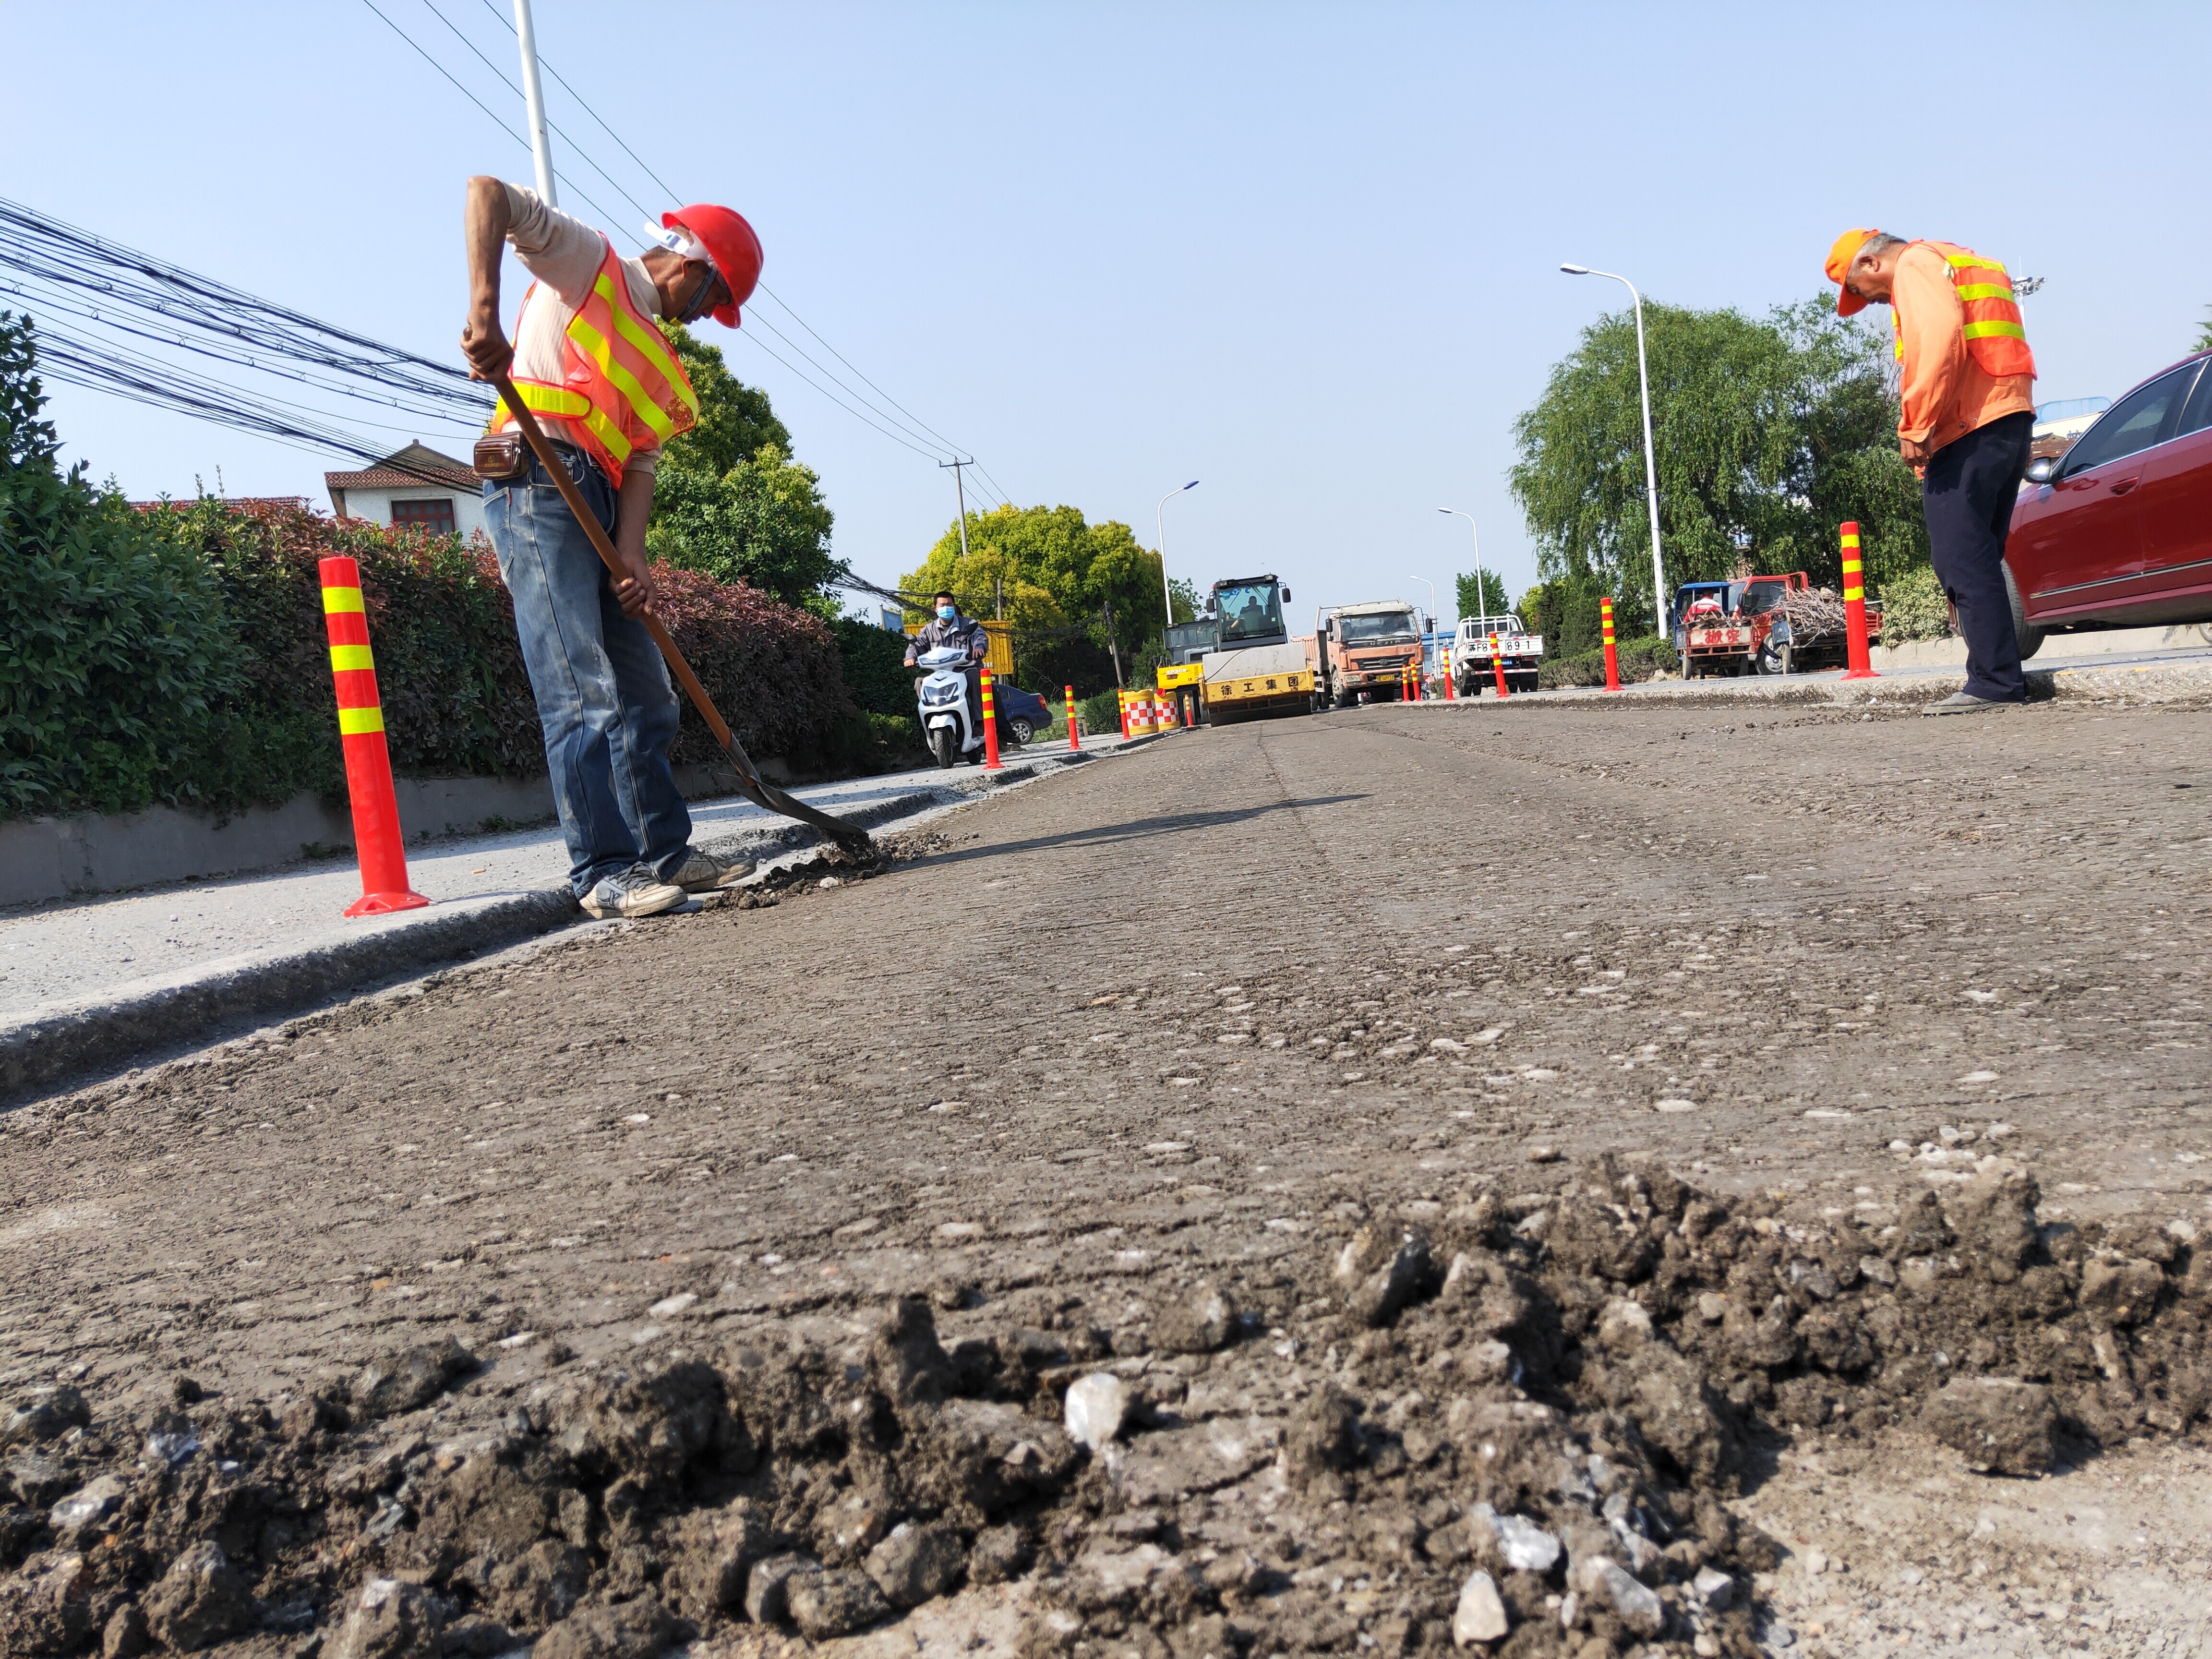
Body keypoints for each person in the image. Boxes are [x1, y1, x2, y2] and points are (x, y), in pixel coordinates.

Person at [460, 177, 767, 917]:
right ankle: (602, 870)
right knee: (580, 687)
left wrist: (633, 557)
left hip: (597, 499)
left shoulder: (654, 356)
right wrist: (482, 310)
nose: (702, 318)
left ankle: (666, 852)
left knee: (646, 694)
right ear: (691, 265)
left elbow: (641, 459)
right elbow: (487, 193)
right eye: (710, 301)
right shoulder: (588, 263)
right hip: (537, 484)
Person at [1825, 228, 2037, 715]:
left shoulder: (1917, 266)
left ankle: (1995, 683)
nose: (1871, 301)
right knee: (1979, 555)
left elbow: (1940, 340)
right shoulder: (1964, 260)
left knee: (1962, 558)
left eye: (1859, 290)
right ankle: (1996, 675)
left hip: (1969, 426)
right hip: (2010, 420)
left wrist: (1917, 423)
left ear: (1871, 264)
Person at [904, 590, 991, 748]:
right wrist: (910, 658)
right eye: (942, 605)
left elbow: (980, 637)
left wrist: (979, 648)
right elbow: (916, 646)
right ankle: (930, 715)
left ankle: (979, 721)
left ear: (954, 606)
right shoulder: (928, 630)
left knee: (974, 676)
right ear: (936, 609)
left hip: (963, 670)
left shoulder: (968, 624)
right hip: (939, 674)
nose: (946, 608)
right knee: (920, 682)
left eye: (949, 605)